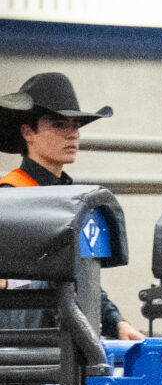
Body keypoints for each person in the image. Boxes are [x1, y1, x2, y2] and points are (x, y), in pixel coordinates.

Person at [0, 72, 141, 342]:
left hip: (52, 350)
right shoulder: (9, 198)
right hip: (16, 355)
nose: (72, 134)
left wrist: (117, 322)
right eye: (59, 125)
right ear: (28, 132)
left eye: (75, 126)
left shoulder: (70, 202)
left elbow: (82, 277)